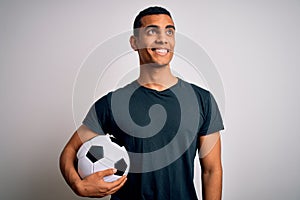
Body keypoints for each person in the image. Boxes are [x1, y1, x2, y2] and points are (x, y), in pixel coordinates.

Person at [60, 6, 224, 200]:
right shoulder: (112, 103)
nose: (162, 38)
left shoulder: (202, 100)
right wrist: (78, 185)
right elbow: (69, 151)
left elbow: (211, 170)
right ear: (134, 42)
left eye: (169, 31)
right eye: (152, 31)